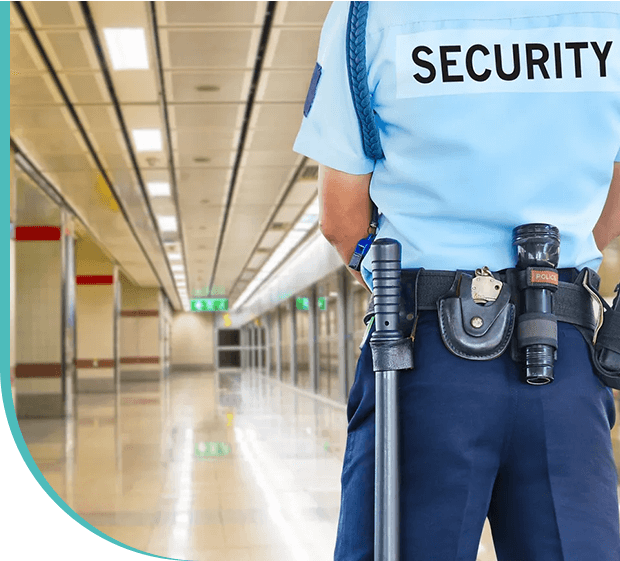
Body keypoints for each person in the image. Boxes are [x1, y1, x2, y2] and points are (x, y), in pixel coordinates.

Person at [293, 2, 620, 560]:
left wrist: (391, 284)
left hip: (421, 356)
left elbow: (340, 217)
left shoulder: (369, 15)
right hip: (567, 353)